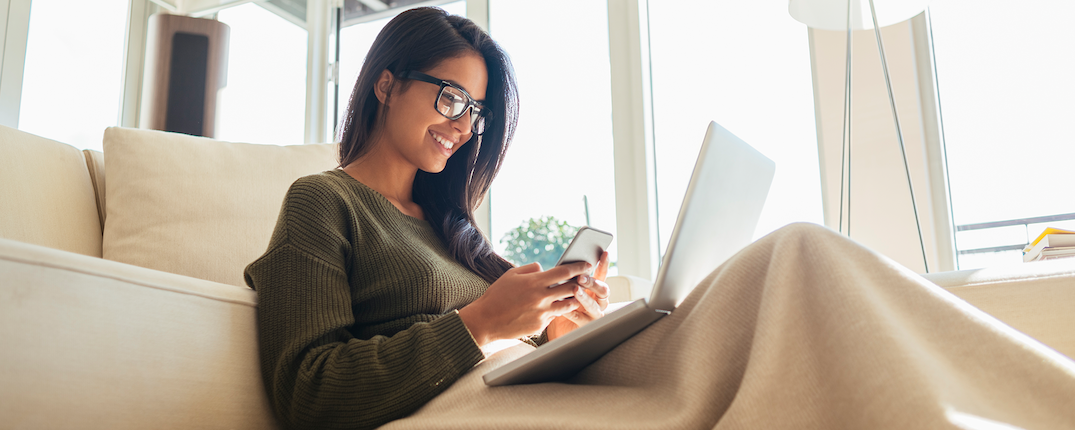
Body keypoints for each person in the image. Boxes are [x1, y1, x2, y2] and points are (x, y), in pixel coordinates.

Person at [245, 7, 1075, 430]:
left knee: (801, 265)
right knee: (795, 255)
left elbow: (501, 339)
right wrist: (480, 325)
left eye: (478, 113)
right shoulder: (323, 204)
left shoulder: (448, 227)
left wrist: (556, 322)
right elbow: (305, 392)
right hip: (457, 407)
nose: (463, 124)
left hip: (523, 386)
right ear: (386, 80)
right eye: (451, 97)